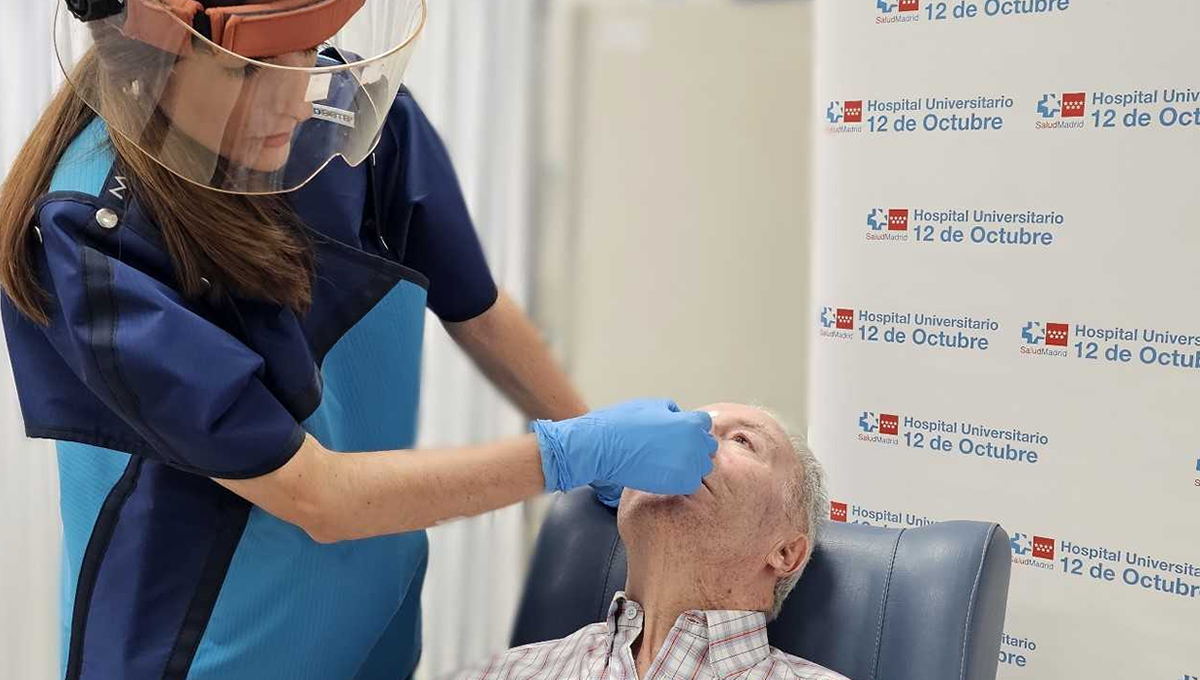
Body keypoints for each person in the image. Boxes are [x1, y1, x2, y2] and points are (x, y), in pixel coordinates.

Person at [0, 2, 717, 679]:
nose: (293, 96)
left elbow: (481, 313)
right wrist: (572, 454)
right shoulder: (95, 233)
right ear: (145, 49)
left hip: (370, 620)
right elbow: (318, 497)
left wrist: (600, 452)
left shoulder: (357, 128)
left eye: (310, 48)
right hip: (202, 646)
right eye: (249, 68)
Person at [444, 403, 849, 680]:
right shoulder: (509, 671)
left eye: (742, 440)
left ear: (785, 552)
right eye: (683, 428)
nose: (687, 444)